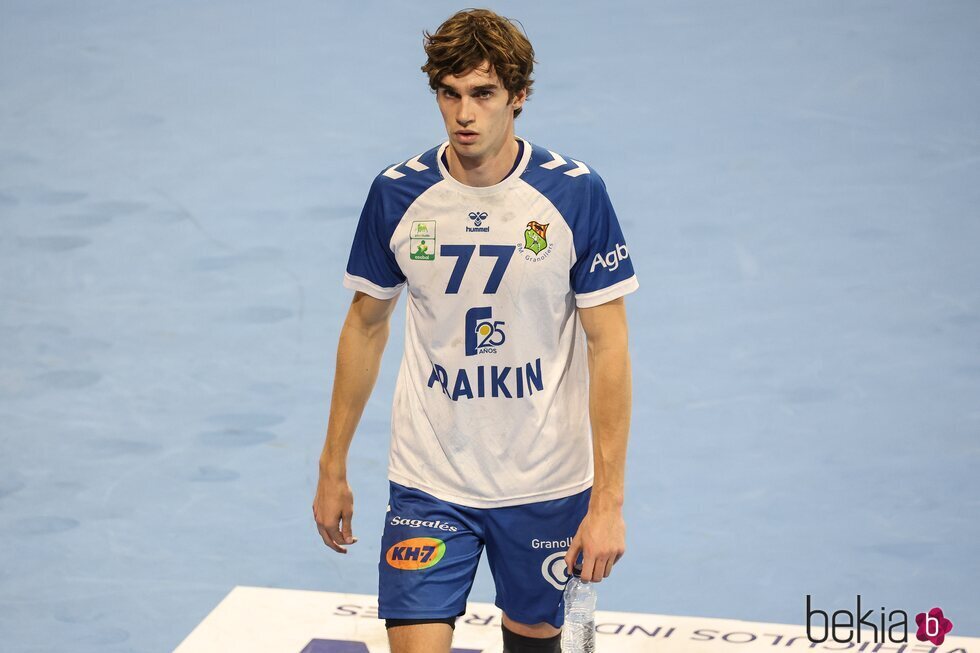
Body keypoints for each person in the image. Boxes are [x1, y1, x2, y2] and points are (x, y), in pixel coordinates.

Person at [313, 8, 637, 653]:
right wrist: (331, 467)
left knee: (540, 642)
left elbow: (610, 348)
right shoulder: (397, 194)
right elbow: (366, 325)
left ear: (518, 97)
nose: (465, 114)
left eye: (484, 94)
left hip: (547, 483)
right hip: (429, 480)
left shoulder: (574, 195)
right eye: (450, 94)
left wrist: (607, 504)